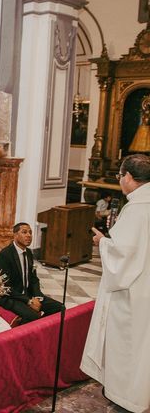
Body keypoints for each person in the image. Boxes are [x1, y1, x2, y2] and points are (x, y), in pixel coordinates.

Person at [82, 154, 150, 413]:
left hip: (131, 296)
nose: (120, 181)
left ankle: (127, 398)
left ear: (129, 177)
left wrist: (103, 243)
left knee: (128, 347)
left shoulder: (136, 209)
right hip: (146, 289)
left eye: (120, 176)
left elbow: (124, 256)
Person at [0, 223, 63, 323]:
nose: (29, 235)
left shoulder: (29, 253)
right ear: (15, 235)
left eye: (30, 232)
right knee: (32, 316)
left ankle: (41, 327)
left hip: (29, 294)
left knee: (60, 308)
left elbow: (34, 279)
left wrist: (37, 297)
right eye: (24, 232)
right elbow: (5, 286)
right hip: (12, 297)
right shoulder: (5, 255)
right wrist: (28, 301)